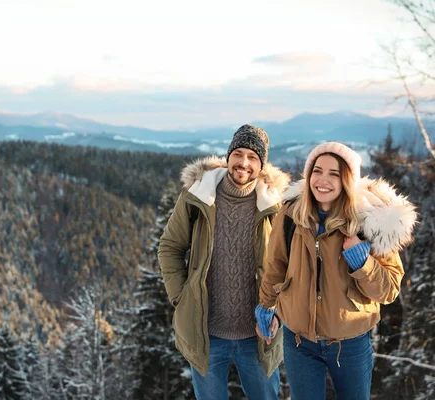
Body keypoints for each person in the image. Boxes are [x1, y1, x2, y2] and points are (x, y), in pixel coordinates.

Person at [255, 142, 417, 400]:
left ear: (347, 180)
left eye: (334, 173)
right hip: (299, 343)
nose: (323, 180)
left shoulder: (370, 223)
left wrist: (362, 264)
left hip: (350, 344)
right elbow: (276, 266)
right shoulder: (290, 215)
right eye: (317, 171)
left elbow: (389, 290)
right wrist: (266, 305)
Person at [158, 125, 290, 400]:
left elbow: (290, 265)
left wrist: (278, 311)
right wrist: (181, 296)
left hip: (259, 334)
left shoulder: (275, 206)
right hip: (207, 332)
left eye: (252, 157)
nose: (244, 163)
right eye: (238, 154)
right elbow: (170, 247)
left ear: (261, 164)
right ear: (229, 155)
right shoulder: (198, 197)